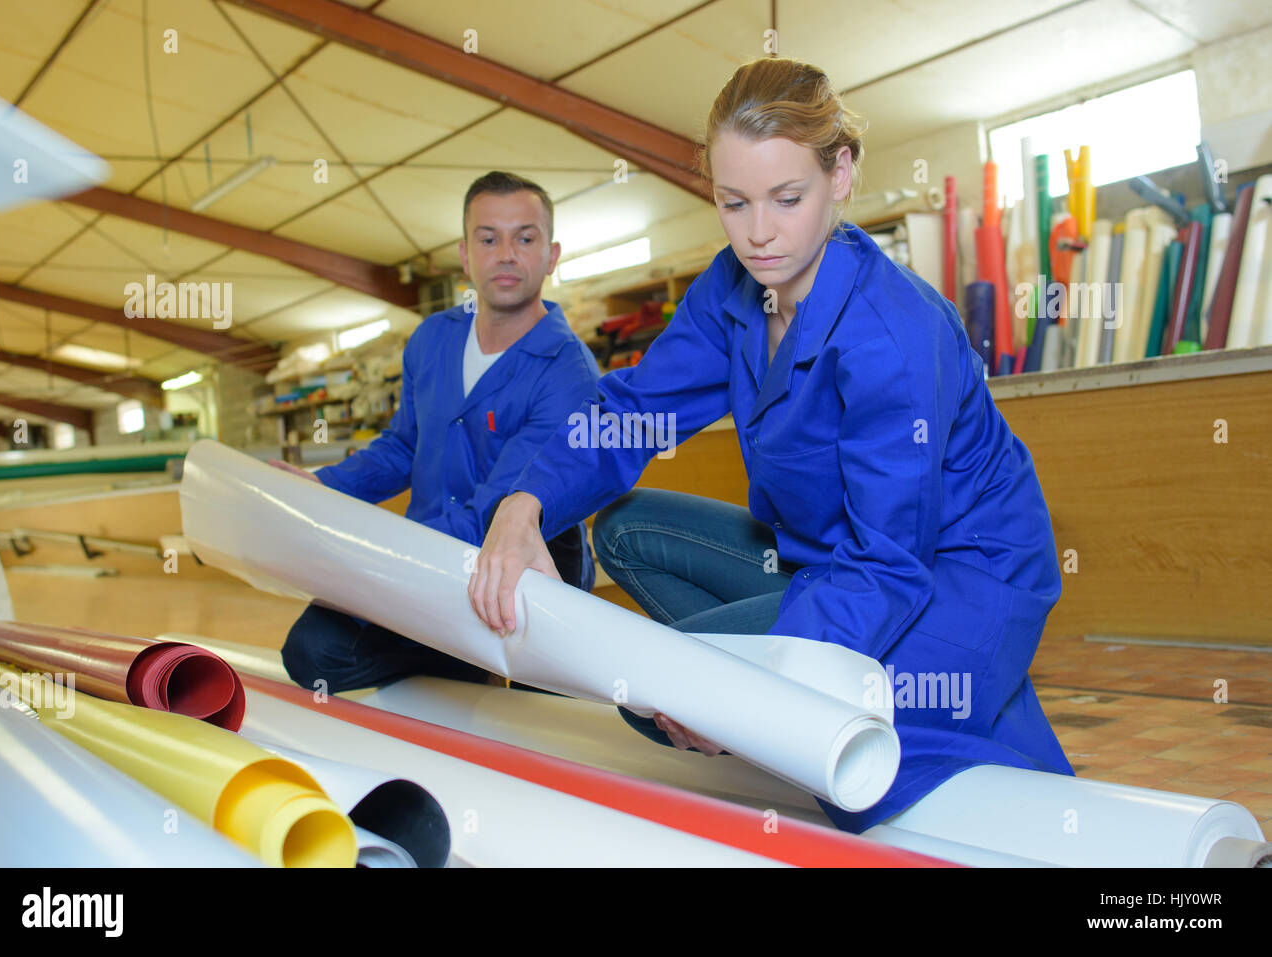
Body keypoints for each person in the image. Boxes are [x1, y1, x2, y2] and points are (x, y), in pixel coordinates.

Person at [468, 57, 1074, 833]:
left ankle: (956, 692)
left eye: (788, 199)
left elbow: (889, 562)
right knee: (626, 536)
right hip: (837, 558)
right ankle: (820, 675)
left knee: (852, 772)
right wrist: (527, 501)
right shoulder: (730, 288)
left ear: (842, 172)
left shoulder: (892, 336)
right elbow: (635, 410)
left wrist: (749, 697)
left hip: (957, 571)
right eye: (733, 202)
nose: (758, 233)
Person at [273, 171, 600, 694]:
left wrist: (371, 565)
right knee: (313, 651)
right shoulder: (431, 340)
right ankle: (457, 658)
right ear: (465, 255)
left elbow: (495, 511)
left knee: (548, 712)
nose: (507, 254)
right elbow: (403, 446)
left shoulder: (569, 372)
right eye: (488, 238)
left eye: (525, 237)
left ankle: (471, 653)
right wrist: (321, 487)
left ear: (552, 254)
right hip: (426, 545)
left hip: (527, 558)